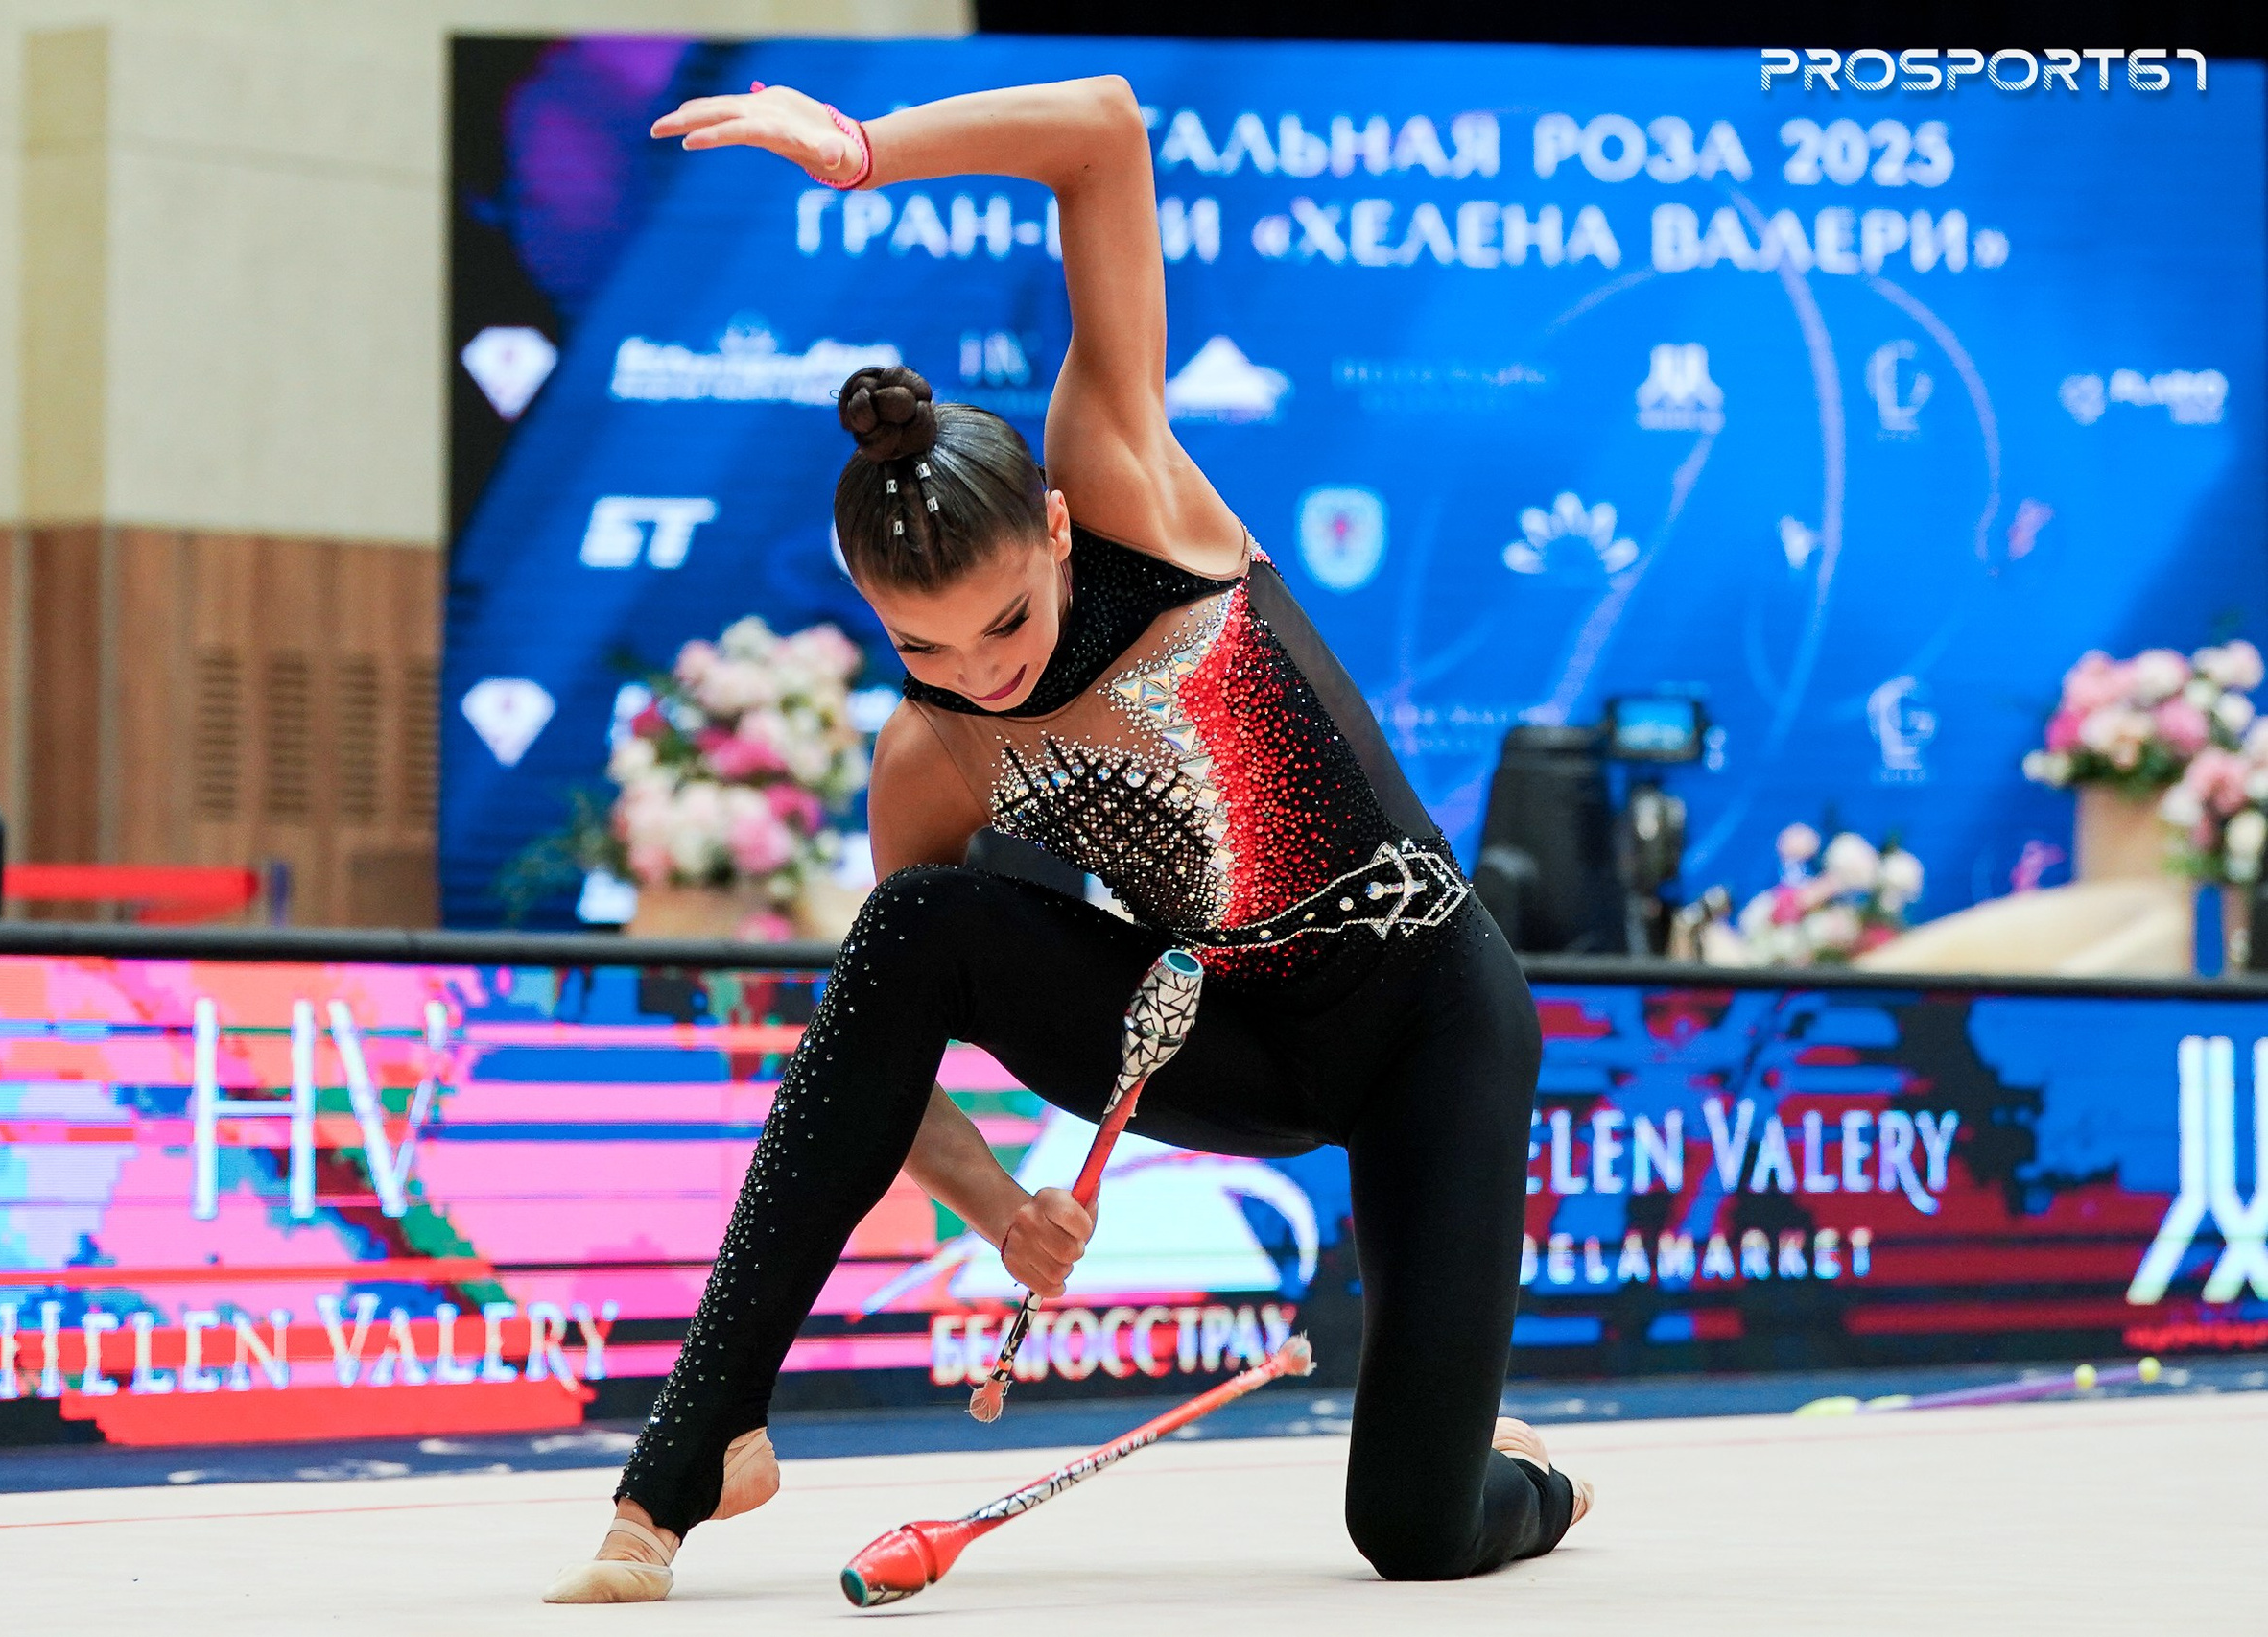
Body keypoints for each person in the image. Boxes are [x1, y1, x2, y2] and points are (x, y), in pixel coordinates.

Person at [544, 75, 1590, 1605]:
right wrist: (997, 1208)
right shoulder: (933, 749)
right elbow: (876, 1068)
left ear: (1049, 525)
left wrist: (865, 154)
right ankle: (703, 1438)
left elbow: (1102, 126)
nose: (986, 676)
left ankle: (1528, 1470)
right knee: (903, 934)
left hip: (1429, 1012)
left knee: (1415, 1534)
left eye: (1007, 627)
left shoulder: (1121, 483)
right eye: (929, 647)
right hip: (1224, 1032)